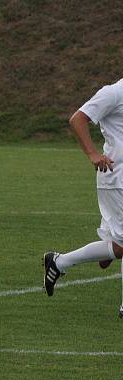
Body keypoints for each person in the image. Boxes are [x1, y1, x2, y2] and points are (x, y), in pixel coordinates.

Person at [43, 79, 123, 302]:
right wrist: (93, 154)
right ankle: (60, 262)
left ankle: (59, 262)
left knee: (114, 249)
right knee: (120, 246)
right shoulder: (114, 93)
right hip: (116, 177)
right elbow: (78, 119)